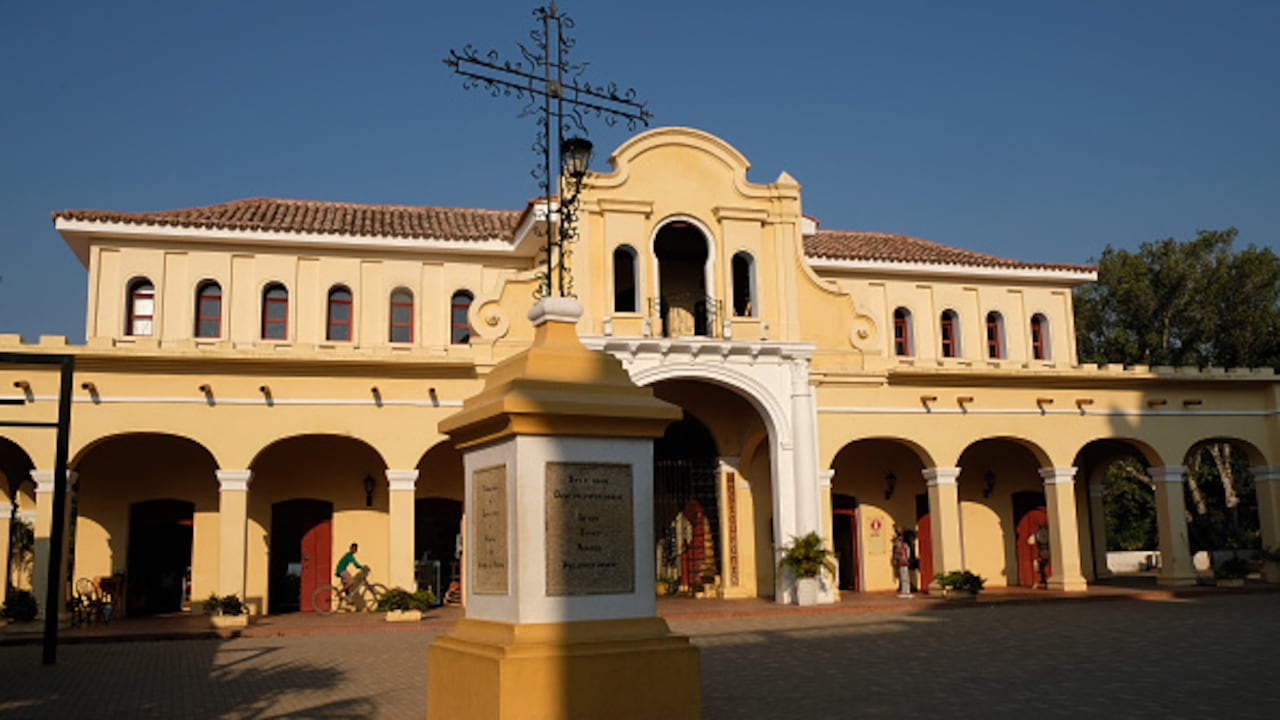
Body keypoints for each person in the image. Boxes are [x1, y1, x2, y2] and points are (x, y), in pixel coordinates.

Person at [892, 528, 913, 598]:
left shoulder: (905, 546)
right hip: (902, 561)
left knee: (905, 576)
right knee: (903, 576)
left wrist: (906, 559)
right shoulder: (902, 546)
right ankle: (905, 590)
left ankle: (907, 591)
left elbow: (907, 553)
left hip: (904, 561)